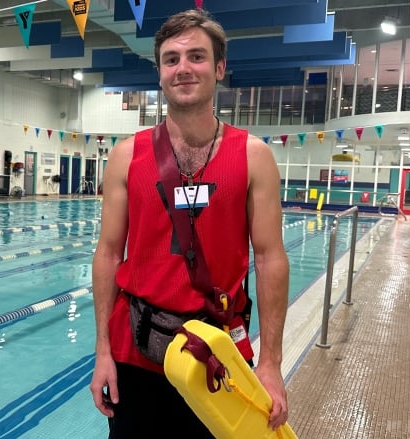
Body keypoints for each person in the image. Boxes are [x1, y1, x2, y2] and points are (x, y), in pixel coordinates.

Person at [90, 9, 290, 438]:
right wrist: (102, 352)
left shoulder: (254, 156)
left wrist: (271, 363)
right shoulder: (127, 156)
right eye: (171, 59)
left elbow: (271, 257)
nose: (183, 68)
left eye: (196, 57)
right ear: (160, 73)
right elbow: (108, 254)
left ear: (219, 68)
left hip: (218, 353)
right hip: (138, 353)